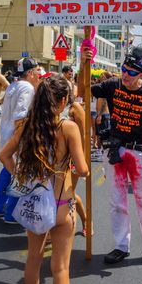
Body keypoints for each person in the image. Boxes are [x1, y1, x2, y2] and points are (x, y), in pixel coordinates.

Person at [78, 46, 142, 270]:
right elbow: (83, 91)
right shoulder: (112, 85)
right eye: (123, 69)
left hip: (140, 153)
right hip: (117, 153)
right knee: (117, 203)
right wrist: (83, 63)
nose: (125, 75)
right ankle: (121, 246)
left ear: (141, 74)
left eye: (131, 72)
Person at [0, 75, 89, 284]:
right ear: (63, 101)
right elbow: (83, 169)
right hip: (61, 204)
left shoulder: (27, 125)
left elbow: (4, 155)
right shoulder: (68, 128)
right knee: (60, 268)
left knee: (34, 259)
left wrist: (20, 177)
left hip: (34, 201)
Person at [0, 57, 40, 224]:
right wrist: (21, 143)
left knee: (6, 173)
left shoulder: (13, 85)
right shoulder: (27, 88)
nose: (38, 74)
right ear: (31, 73)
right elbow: (20, 118)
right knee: (20, 175)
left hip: (6, 135)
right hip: (16, 138)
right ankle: (11, 213)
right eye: (37, 71)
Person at [60, 85, 87, 236]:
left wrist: (80, 159)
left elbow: (83, 135)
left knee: (69, 193)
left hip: (72, 157)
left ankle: (85, 221)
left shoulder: (75, 107)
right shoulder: (50, 107)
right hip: (56, 159)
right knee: (56, 194)